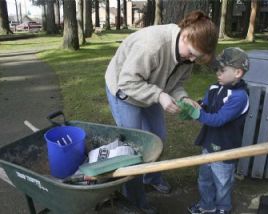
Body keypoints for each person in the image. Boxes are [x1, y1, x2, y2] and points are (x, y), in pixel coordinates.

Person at [105, 10, 218, 213]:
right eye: (192, 53)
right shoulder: (152, 46)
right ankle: (135, 200)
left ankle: (152, 176)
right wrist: (159, 96)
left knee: (158, 137)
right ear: (184, 35)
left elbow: (176, 83)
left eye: (197, 57)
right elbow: (128, 82)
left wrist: (182, 97)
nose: (192, 60)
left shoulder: (187, 56)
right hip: (124, 91)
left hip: (150, 89)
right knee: (134, 148)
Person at [183, 47, 250, 214]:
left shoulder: (239, 97)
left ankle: (223, 208)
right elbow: (206, 105)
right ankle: (207, 205)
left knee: (222, 182)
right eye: (217, 69)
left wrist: (197, 114)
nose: (217, 73)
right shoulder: (215, 87)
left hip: (225, 147)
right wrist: (196, 106)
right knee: (204, 179)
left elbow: (219, 120)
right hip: (208, 142)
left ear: (238, 73)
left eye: (222, 70)